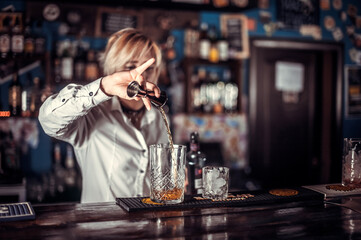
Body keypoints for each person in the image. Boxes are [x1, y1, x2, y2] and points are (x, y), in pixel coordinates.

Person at [38, 28, 169, 203]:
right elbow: (49, 120)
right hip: (101, 226)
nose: (142, 77)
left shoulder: (159, 117)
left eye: (150, 68)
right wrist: (104, 87)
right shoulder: (91, 115)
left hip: (149, 225)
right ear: (113, 69)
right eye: (131, 67)